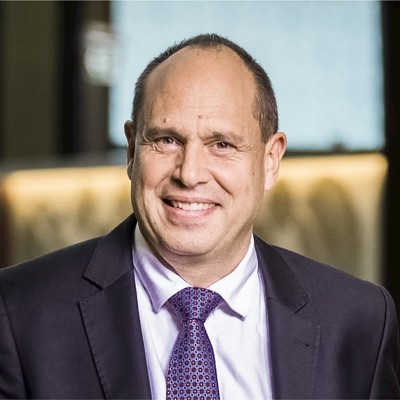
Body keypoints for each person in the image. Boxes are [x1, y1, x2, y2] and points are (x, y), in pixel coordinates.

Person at [0, 33, 399, 400]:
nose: (189, 174)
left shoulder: (359, 320)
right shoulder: (18, 312)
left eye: (222, 144)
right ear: (131, 151)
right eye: (166, 140)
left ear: (271, 160)